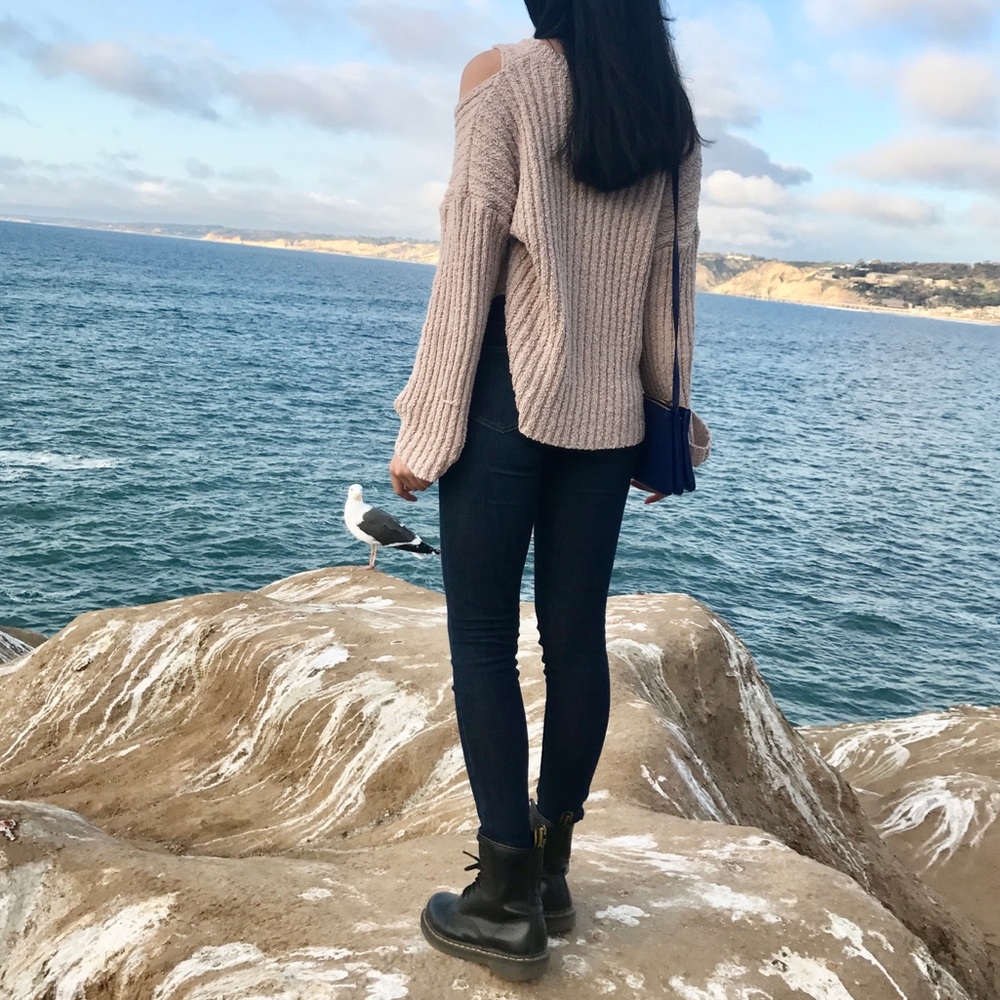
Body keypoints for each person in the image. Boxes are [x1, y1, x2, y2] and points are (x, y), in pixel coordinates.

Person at [388, 0, 710, 982]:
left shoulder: (502, 79)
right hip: (609, 415)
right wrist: (672, 418)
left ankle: (501, 894)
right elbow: (671, 283)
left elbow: (467, 262)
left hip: (502, 396)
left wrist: (427, 422)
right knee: (574, 635)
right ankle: (552, 869)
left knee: (482, 633)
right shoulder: (664, 111)